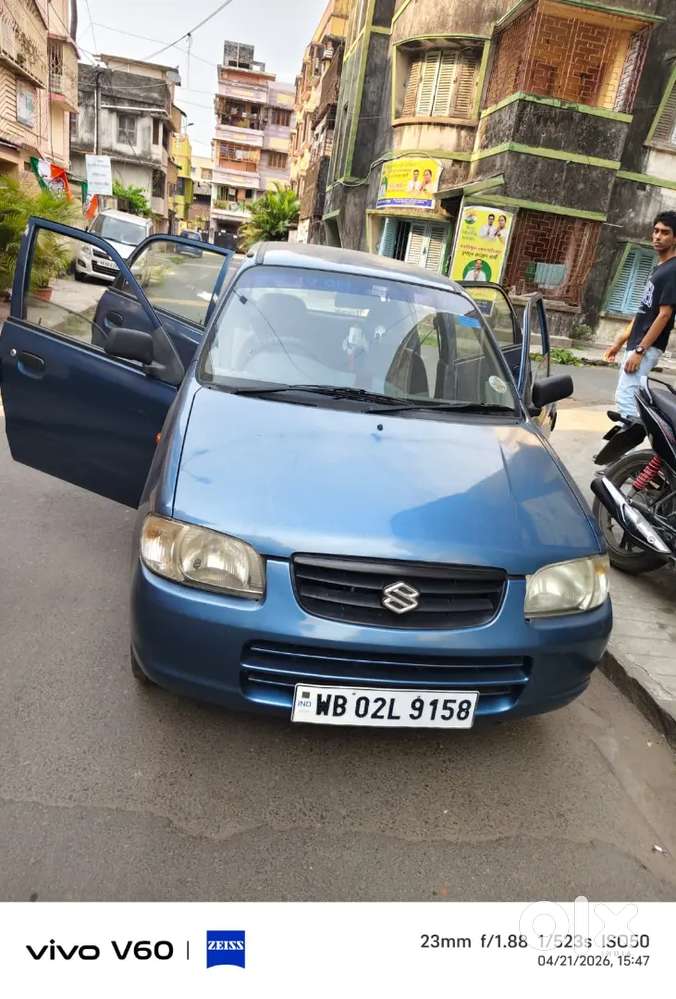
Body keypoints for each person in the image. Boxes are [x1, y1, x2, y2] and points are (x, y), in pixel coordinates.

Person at [603, 211, 676, 419]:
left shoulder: (673, 271)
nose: (657, 236)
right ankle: (631, 443)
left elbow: (664, 315)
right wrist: (620, 340)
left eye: (665, 232)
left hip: (646, 346)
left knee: (626, 400)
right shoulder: (660, 269)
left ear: (675, 238)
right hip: (637, 343)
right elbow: (644, 311)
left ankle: (646, 448)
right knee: (626, 396)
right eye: (655, 231)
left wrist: (640, 350)